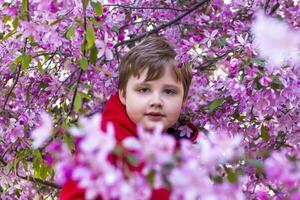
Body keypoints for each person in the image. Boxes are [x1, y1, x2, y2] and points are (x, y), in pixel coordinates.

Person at [60, 36, 199, 200]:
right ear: (124, 95)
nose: (156, 101)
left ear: (183, 101)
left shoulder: (187, 152)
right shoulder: (105, 139)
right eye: (144, 90)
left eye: (169, 92)